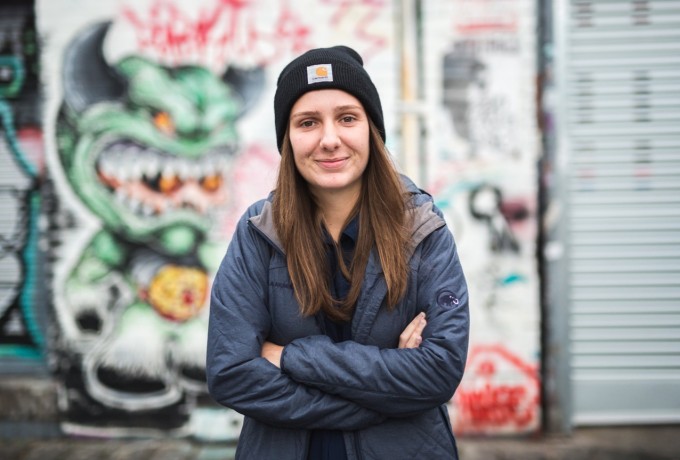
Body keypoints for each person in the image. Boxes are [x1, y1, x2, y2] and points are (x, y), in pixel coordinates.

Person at [207, 45, 470, 460]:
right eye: (308, 122)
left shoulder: (421, 227)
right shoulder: (258, 232)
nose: (330, 140)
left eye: (347, 118)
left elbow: (439, 371)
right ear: (288, 139)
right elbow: (232, 373)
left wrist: (290, 356)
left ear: (371, 130)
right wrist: (383, 397)